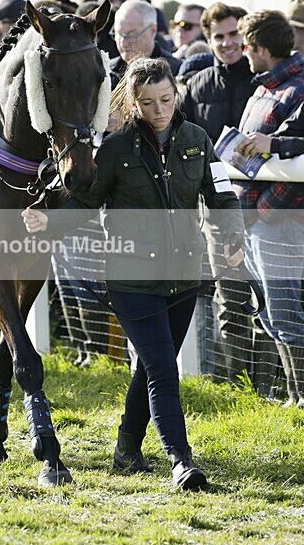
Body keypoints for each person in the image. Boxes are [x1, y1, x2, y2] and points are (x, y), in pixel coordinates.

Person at [23, 57, 245, 490]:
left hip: (184, 273)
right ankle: (181, 460)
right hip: (130, 279)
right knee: (164, 369)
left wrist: (232, 239)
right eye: (147, 102)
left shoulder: (198, 140)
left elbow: (221, 196)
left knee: (149, 366)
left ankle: (127, 448)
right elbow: (87, 202)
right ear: (132, 102)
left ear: (176, 93)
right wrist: (50, 221)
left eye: (166, 98)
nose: (159, 109)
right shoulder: (115, 149)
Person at [181, 2, 257, 385]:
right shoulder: (195, 87)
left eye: (233, 34)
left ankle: (276, 384)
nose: (227, 43)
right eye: (218, 37)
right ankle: (237, 384)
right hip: (216, 213)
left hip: (269, 209)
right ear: (207, 39)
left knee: (278, 303)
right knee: (230, 300)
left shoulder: (265, 80)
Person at [236, 10, 304, 407]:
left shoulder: (298, 88)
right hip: (255, 218)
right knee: (270, 315)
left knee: (286, 316)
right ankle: (295, 398)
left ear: (260, 49)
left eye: (246, 47)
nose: (243, 54)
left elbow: (289, 144)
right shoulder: (262, 89)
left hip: (281, 220)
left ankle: (301, 397)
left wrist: (273, 146)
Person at [110, 0, 181, 90]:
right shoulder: (107, 73)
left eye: (131, 35)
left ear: (152, 31)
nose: (123, 42)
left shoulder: (176, 72)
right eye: (119, 34)